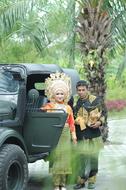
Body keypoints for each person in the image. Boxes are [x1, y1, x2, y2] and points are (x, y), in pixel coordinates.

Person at [40, 72, 77, 190]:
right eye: (57, 93)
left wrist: (74, 135)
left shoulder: (68, 107)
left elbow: (71, 123)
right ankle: (56, 184)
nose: (60, 96)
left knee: (65, 158)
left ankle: (63, 184)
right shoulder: (49, 106)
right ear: (53, 94)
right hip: (54, 135)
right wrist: (44, 111)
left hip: (66, 134)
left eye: (62, 93)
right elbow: (42, 113)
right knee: (56, 158)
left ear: (65, 94)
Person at [73, 80, 104, 189]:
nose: (81, 92)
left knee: (93, 158)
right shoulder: (75, 102)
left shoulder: (95, 100)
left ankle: (91, 181)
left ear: (87, 89)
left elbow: (103, 113)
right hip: (81, 135)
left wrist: (100, 122)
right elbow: (72, 115)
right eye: (79, 90)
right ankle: (81, 181)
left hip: (94, 135)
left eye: (83, 90)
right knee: (81, 159)